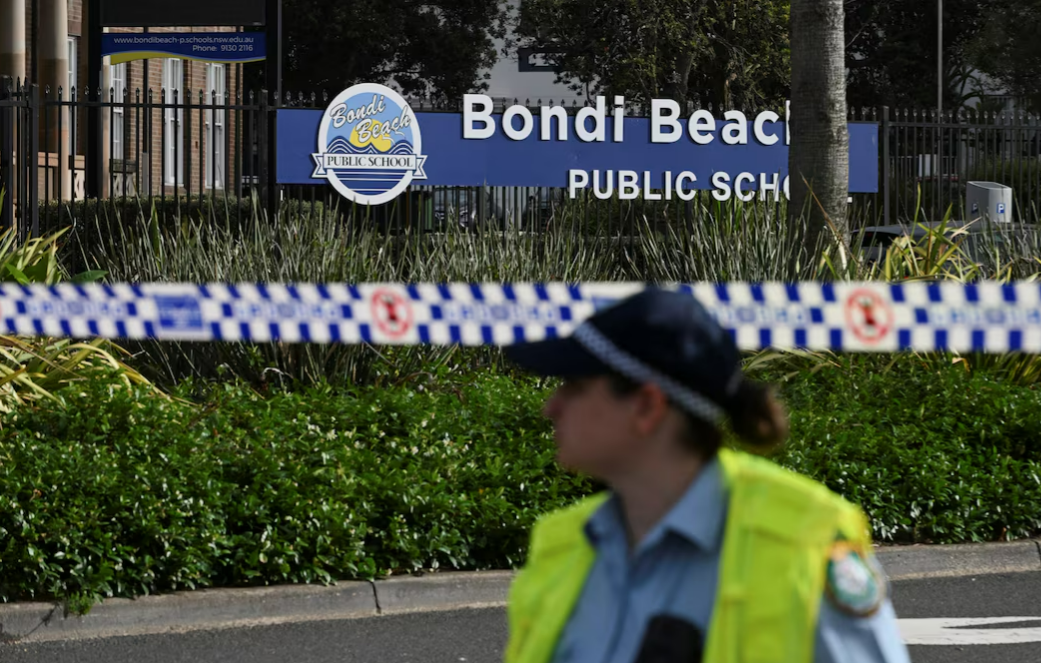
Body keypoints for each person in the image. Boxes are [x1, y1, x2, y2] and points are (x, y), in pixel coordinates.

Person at [500, 286, 911, 663]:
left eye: (573, 386)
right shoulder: (561, 543)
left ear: (646, 406)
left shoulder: (803, 543)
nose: (550, 407)